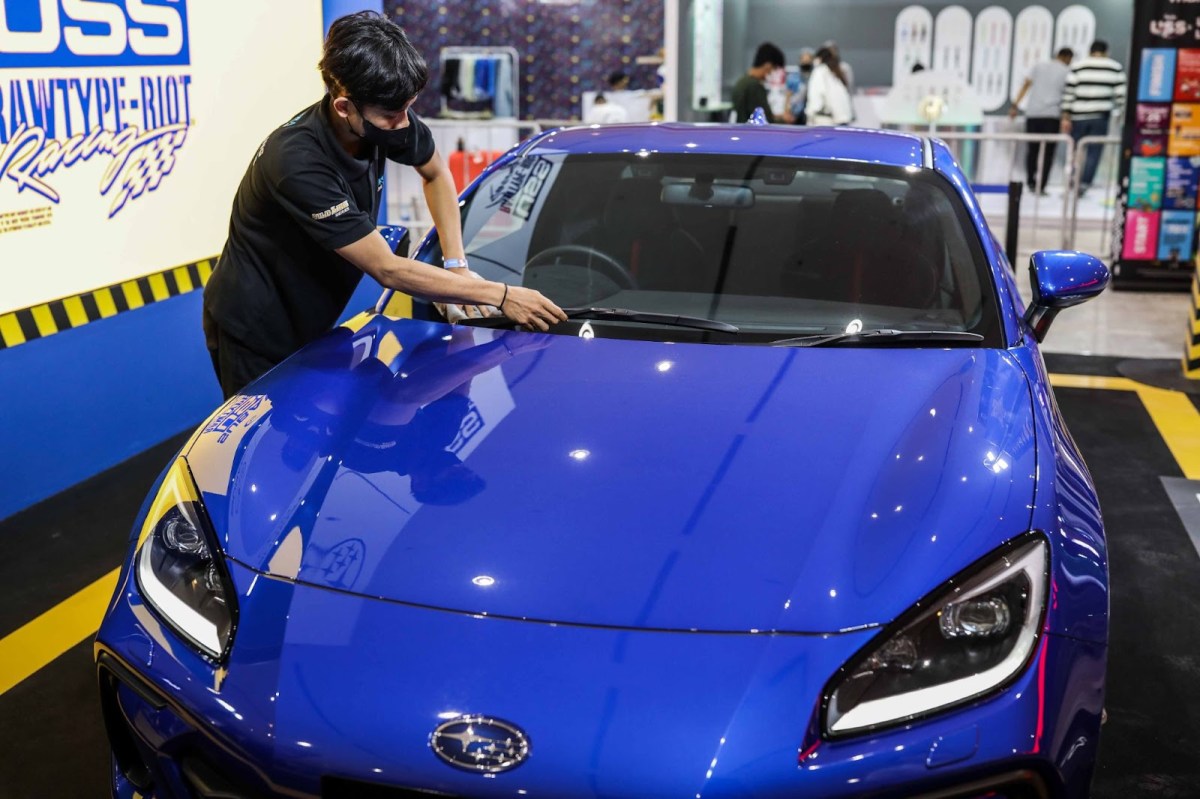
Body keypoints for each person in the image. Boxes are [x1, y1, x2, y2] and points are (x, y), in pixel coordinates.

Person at [202, 11, 566, 399]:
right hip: (257, 328)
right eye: (393, 115)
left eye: (408, 107)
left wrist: (458, 266)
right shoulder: (296, 161)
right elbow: (387, 269)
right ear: (344, 107)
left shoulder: (384, 115)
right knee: (268, 441)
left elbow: (436, 175)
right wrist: (502, 295)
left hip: (311, 314)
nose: (405, 123)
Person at [1061, 40, 1127, 196]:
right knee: (1093, 153)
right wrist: (1121, 114)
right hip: (1100, 116)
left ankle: (1071, 180)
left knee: (1074, 151)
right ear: (1106, 52)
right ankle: (1083, 184)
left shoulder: (1078, 66)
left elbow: (1068, 93)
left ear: (1090, 51)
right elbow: (1121, 96)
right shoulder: (1115, 68)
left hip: (1077, 116)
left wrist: (1065, 116)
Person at [1009, 47, 1074, 194]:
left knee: (1032, 150)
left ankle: (1030, 182)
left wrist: (1015, 105)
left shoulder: (1039, 67)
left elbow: (1026, 85)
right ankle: (1042, 186)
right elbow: (1068, 96)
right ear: (1067, 58)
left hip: (1033, 113)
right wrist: (1066, 117)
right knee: (1048, 153)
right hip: (1052, 116)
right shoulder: (1066, 71)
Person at [732, 42, 785, 123]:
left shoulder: (741, 82)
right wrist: (784, 121)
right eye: (773, 69)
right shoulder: (755, 87)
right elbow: (765, 121)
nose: (771, 73)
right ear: (768, 65)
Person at [806, 46, 853, 127]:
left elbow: (816, 95)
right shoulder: (835, 72)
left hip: (824, 120)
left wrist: (811, 113)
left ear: (819, 58)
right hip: (840, 119)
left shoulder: (820, 71)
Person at [786, 48, 815, 125]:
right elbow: (788, 94)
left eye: (808, 59)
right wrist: (787, 111)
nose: (805, 62)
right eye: (803, 59)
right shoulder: (794, 76)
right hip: (796, 112)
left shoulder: (816, 76)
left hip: (811, 112)